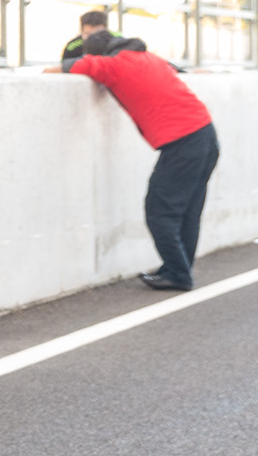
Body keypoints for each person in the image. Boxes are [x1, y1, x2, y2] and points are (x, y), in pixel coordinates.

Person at [55, 29, 220, 291]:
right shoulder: (149, 57)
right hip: (206, 135)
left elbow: (73, 66)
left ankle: (179, 274)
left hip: (183, 143)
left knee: (159, 211)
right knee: (188, 212)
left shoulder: (113, 65)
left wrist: (48, 71)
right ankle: (178, 268)